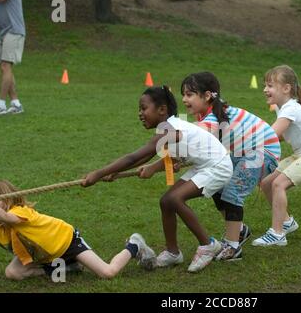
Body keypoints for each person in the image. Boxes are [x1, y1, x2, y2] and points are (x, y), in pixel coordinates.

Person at [82, 86, 233, 273]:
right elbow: (150, 158)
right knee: (166, 202)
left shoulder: (169, 129)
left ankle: (208, 245)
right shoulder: (171, 127)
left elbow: (135, 157)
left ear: (162, 109)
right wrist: (117, 172)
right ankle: (172, 252)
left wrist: (98, 173)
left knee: (174, 199)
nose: (140, 113)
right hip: (203, 166)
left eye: (144, 108)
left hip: (218, 166)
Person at [180, 72, 281, 260]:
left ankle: (233, 247)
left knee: (232, 193)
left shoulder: (212, 119)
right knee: (218, 185)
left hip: (264, 152)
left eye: (189, 94)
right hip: (244, 152)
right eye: (183, 94)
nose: (184, 99)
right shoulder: (209, 114)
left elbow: (191, 137)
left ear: (207, 96)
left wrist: (174, 150)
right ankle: (240, 230)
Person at [0, 180, 157, 280]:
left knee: (108, 273)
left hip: (67, 242)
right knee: (12, 273)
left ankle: (134, 245)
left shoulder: (18, 211)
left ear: (6, 200)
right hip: (43, 253)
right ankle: (68, 267)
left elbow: (5, 218)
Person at [251, 65, 301, 247]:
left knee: (278, 184)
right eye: (265, 85)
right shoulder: (283, 108)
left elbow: (270, 135)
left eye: (270, 85)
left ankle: (277, 234)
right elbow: (277, 137)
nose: (265, 89)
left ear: (286, 88)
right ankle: (286, 222)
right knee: (266, 183)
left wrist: (247, 142)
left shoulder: (289, 109)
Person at [0, 0, 25, 115]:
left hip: (14, 31)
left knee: (6, 66)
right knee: (5, 69)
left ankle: (1, 104)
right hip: (1, 34)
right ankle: (16, 104)